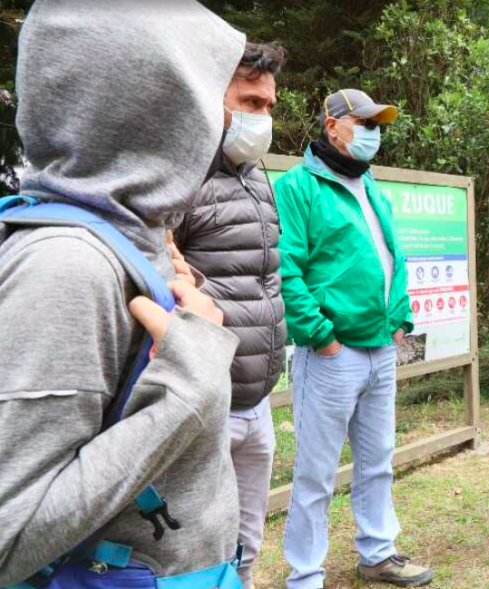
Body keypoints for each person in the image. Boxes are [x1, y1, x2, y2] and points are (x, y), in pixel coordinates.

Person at [0, 0, 246, 587]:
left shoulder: (134, 238)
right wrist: (189, 386)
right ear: (157, 104)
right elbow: (10, 533)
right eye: (212, 96)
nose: (226, 121)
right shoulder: (68, 265)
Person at [274, 89, 432, 588]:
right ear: (332, 126)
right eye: (363, 122)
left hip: (380, 348)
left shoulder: (372, 184)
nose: (372, 132)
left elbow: (394, 257)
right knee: (316, 473)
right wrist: (320, 337)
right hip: (332, 353)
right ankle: (304, 574)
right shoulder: (298, 186)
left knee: (378, 460)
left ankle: (378, 553)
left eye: (378, 124)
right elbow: (286, 269)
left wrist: (399, 314)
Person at [172, 41, 288, 589]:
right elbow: (157, 278)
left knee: (246, 545)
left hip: (257, 402)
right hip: (205, 404)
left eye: (268, 105)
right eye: (250, 101)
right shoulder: (179, 178)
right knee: (198, 548)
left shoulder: (256, 176)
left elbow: (266, 275)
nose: (262, 116)